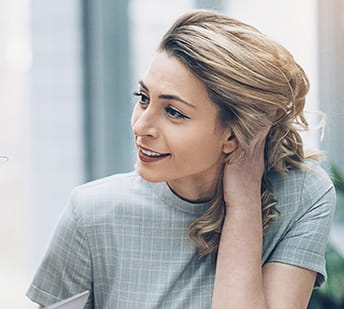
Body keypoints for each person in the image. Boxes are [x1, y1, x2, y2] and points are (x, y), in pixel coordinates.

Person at [28, 10, 335, 308]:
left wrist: (243, 204)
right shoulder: (91, 214)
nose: (140, 126)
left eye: (173, 112)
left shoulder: (303, 195)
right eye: (143, 99)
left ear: (233, 135)